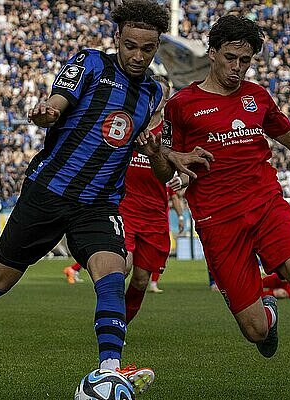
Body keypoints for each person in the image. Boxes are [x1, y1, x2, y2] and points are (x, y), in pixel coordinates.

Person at [0, 1, 209, 394]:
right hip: (48, 192)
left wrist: (165, 154)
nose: (138, 56)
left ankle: (110, 368)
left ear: (156, 47)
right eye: (130, 46)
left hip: (99, 203)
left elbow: (144, 151)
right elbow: (59, 100)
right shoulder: (90, 64)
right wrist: (47, 112)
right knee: (2, 280)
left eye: (147, 49)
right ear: (117, 39)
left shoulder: (153, 93)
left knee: (111, 272)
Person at [141, 15, 290, 400]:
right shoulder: (182, 105)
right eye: (230, 58)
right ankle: (267, 313)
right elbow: (164, 168)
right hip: (217, 219)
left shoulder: (258, 98)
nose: (237, 68)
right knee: (255, 330)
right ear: (213, 53)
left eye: (246, 60)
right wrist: (164, 154)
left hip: (266, 204)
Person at [122, 75, 184, 321]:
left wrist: (182, 178)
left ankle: (121, 322)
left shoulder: (170, 133)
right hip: (123, 207)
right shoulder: (130, 124)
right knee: (121, 267)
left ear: (166, 98)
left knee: (140, 278)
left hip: (155, 213)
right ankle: (110, 323)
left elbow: (183, 165)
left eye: (161, 93)